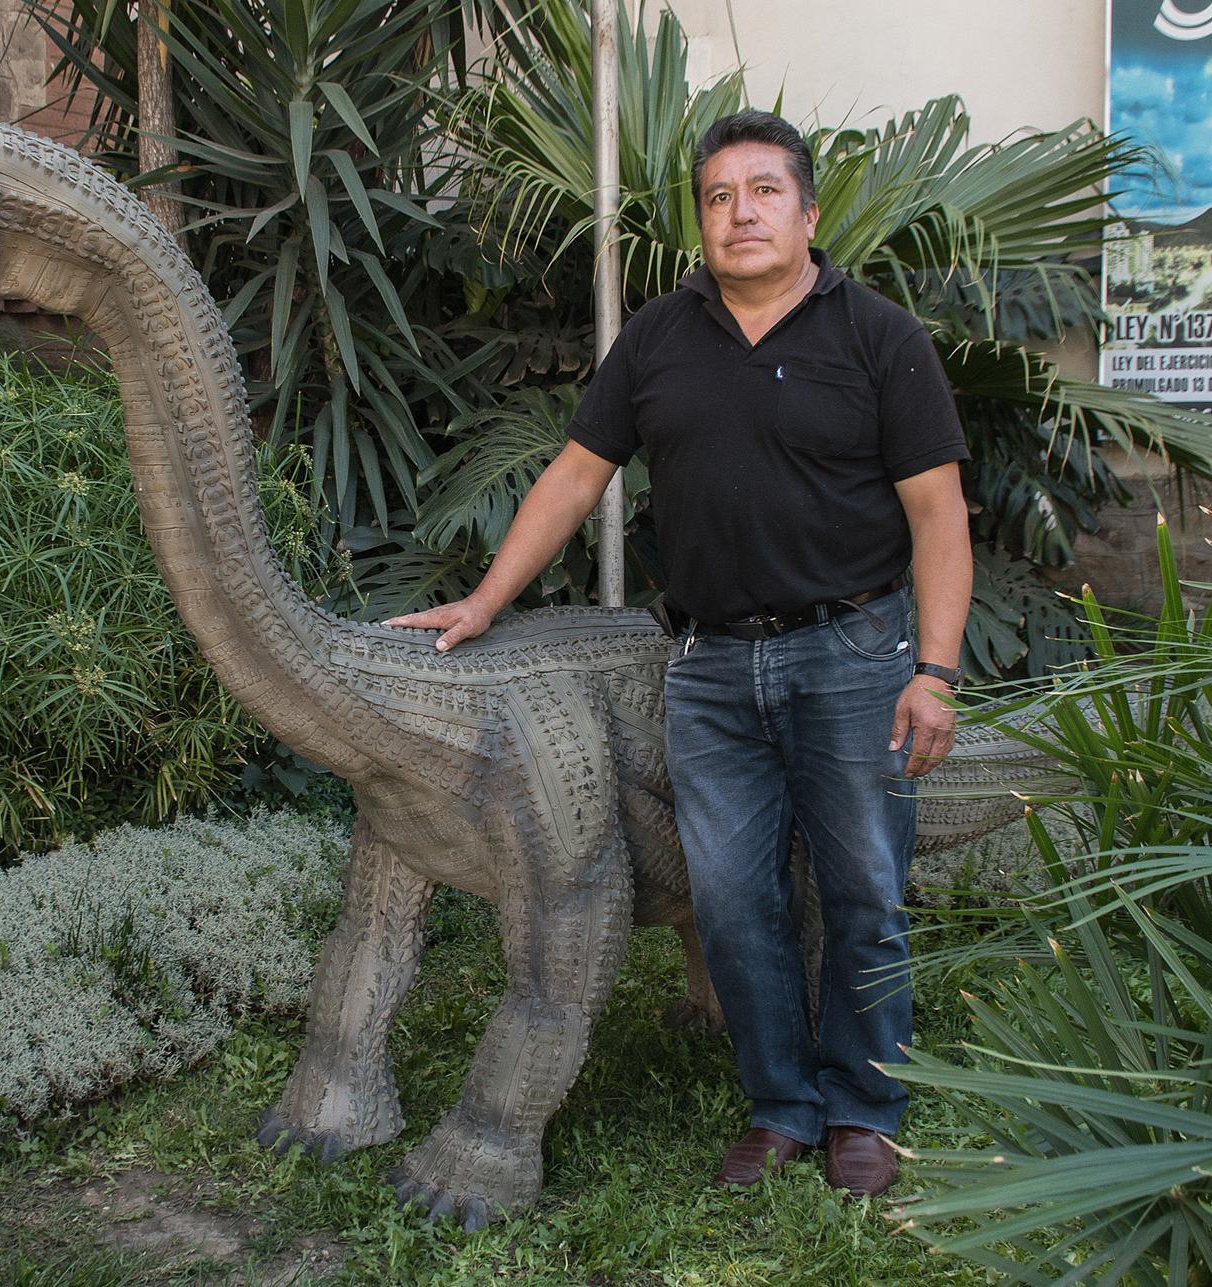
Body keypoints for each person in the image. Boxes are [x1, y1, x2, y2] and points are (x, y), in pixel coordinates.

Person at [386, 110, 972, 1198]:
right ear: (701, 219)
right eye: (718, 196)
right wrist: (481, 599)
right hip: (707, 668)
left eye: (762, 191)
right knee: (733, 899)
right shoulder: (658, 337)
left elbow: (938, 516)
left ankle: (865, 1108)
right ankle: (785, 1105)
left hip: (851, 653)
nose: (739, 212)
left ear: (806, 210)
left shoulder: (880, 338)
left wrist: (933, 670)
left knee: (864, 890)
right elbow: (573, 475)